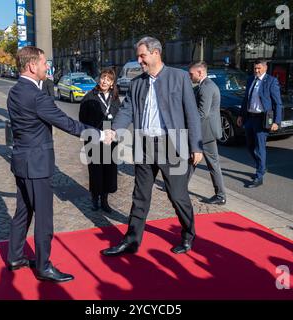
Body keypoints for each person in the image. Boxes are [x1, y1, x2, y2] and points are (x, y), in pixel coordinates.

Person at [6, 46, 106, 283]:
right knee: (43, 217)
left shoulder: (14, 91)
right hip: (37, 165)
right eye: (42, 63)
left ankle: (15, 257)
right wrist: (99, 134)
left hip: (21, 161)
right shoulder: (36, 95)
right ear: (31, 66)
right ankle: (43, 266)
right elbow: (67, 123)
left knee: (22, 212)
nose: (46, 68)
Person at [101, 36, 203, 257]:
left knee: (177, 195)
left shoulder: (179, 77)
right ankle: (132, 240)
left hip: (171, 145)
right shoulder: (138, 82)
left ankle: (188, 234)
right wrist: (115, 129)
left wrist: (196, 146)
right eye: (138, 56)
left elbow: (192, 114)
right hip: (144, 145)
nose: (139, 60)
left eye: (142, 55)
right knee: (140, 196)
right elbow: (126, 110)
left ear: (156, 53)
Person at [79, 68, 121, 212]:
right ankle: (94, 199)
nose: (105, 81)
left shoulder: (115, 98)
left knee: (109, 171)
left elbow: (120, 117)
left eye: (108, 79)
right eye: (103, 78)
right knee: (95, 170)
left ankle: (105, 200)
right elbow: (82, 118)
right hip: (94, 139)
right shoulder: (90, 96)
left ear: (112, 83)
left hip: (111, 140)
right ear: (99, 79)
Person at [236, 59, 282, 188]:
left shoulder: (271, 81)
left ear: (265, 68)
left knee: (260, 147)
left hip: (262, 119)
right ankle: (261, 166)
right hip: (250, 117)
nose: (256, 71)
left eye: (259, 68)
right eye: (255, 68)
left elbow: (277, 103)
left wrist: (276, 122)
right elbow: (246, 99)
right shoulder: (251, 79)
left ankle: (259, 175)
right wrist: (241, 115)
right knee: (250, 146)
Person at [188, 61, 226, 205]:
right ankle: (179, 187)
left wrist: (188, 123)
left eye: (191, 74)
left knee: (210, 164)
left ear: (200, 72)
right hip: (206, 131)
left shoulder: (206, 87)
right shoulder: (204, 86)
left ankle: (221, 195)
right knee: (192, 160)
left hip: (206, 132)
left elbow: (202, 113)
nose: (190, 76)